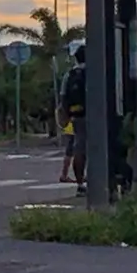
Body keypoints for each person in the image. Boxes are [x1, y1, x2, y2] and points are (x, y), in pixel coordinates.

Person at [58, 46, 89, 193]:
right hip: (96, 115)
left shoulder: (69, 75)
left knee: (79, 149)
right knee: (97, 148)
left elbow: (63, 98)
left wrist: (65, 116)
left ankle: (80, 183)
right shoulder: (95, 71)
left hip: (77, 116)